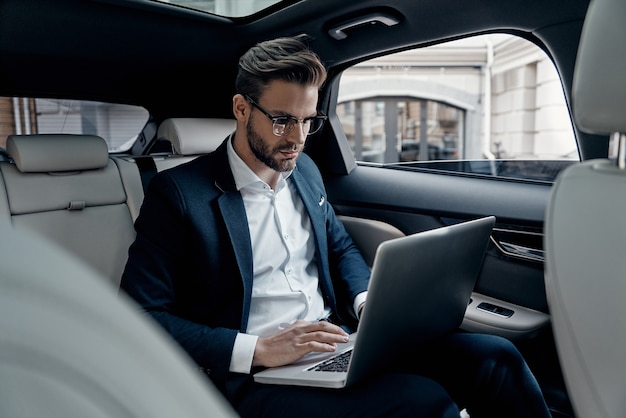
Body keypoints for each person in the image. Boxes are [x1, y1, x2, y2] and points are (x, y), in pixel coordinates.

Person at [120, 37, 552, 417]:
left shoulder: (305, 171)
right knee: (423, 402)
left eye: (308, 120)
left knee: (496, 358)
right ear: (240, 108)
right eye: (283, 120)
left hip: (338, 344)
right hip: (252, 378)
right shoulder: (178, 194)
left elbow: (340, 248)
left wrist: (368, 304)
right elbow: (140, 315)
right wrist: (259, 350)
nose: (298, 137)